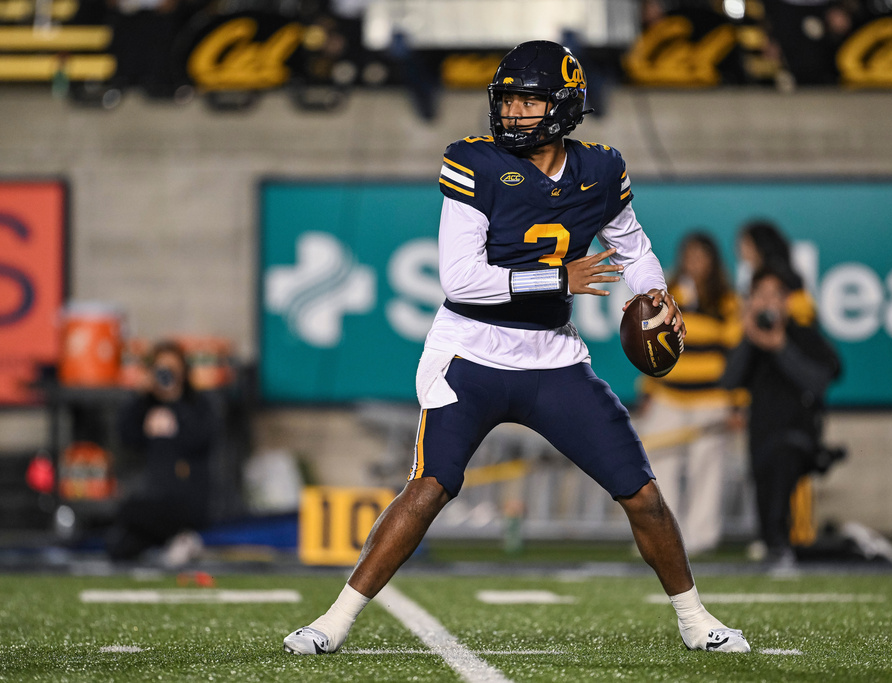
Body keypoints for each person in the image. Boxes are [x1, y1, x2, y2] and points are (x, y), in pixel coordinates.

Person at [284, 40, 750, 656]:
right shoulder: (473, 163)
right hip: (469, 354)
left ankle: (696, 621)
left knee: (642, 493)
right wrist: (562, 278)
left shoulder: (601, 168)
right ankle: (333, 622)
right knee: (429, 487)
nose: (513, 112)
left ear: (564, 106)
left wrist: (656, 293)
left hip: (552, 358)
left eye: (529, 100)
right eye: (507, 99)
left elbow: (633, 248)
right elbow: (461, 278)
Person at [721, 265, 841, 568]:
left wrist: (780, 346)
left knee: (781, 470)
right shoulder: (749, 342)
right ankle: (780, 549)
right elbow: (729, 380)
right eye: (760, 295)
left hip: (797, 436)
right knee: (766, 510)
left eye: (775, 295)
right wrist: (750, 337)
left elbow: (822, 379)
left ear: (787, 300)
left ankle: (781, 545)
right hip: (760, 437)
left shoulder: (803, 335)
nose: (768, 302)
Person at [638, 232, 744, 555]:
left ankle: (701, 538)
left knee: (707, 468)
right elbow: (650, 347)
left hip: (711, 399)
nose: (695, 263)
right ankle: (663, 538)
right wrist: (649, 392)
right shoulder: (667, 297)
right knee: (657, 465)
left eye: (702, 257)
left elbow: (736, 355)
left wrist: (738, 404)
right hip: (669, 396)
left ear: (713, 262)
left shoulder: (727, 302)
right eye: (690, 256)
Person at [106, 340, 215, 566]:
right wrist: (139, 395)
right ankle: (177, 541)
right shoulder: (146, 405)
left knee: (129, 510)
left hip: (187, 498)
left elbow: (201, 439)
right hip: (154, 498)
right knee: (118, 548)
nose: (166, 375)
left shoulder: (197, 404)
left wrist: (175, 401)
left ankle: (183, 537)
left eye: (172, 370)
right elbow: (126, 438)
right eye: (161, 369)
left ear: (183, 373)